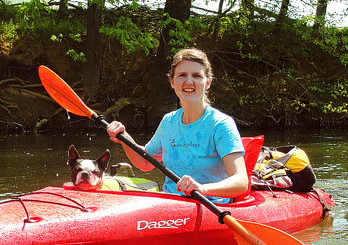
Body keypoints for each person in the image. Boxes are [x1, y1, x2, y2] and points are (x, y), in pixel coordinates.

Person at [106, 48, 249, 203]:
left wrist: (202, 188)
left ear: (207, 83)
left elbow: (241, 181)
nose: (189, 82)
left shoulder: (221, 124)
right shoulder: (169, 122)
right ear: (172, 82)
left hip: (209, 205)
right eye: (182, 75)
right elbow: (146, 162)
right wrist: (124, 137)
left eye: (196, 76)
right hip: (171, 203)